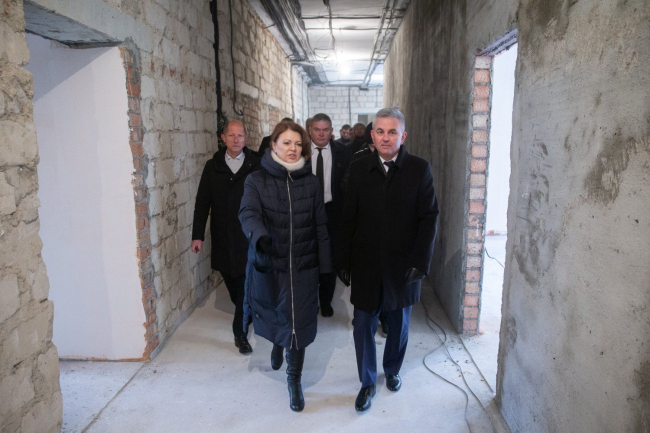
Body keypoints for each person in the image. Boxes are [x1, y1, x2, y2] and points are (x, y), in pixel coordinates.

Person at [337, 107, 439, 412]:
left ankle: (392, 369)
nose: (385, 137)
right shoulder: (359, 168)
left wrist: (421, 262)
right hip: (366, 262)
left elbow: (429, 217)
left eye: (392, 132)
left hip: (403, 266)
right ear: (372, 135)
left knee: (399, 324)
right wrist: (343, 259)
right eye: (380, 131)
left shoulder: (419, 169)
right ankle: (367, 382)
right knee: (362, 324)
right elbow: (348, 216)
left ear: (402, 135)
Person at [239, 120, 332, 412]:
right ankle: (278, 343)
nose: (293, 149)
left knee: (299, 324)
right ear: (273, 145)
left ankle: (294, 381)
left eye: (298, 144)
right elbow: (248, 213)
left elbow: (320, 224)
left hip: (304, 266)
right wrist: (260, 238)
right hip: (272, 263)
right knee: (279, 315)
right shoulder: (256, 180)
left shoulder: (310, 182)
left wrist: (326, 265)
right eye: (286, 143)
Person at [191, 120, 261, 354]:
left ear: (246, 138)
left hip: (248, 236)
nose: (236, 139)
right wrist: (197, 235)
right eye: (231, 135)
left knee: (245, 283)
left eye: (240, 135)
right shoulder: (213, 167)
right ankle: (246, 309)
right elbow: (202, 202)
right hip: (222, 235)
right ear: (223, 138)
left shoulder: (256, 164)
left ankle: (240, 333)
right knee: (232, 281)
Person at [309, 113, 352, 317]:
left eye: (325, 130)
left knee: (329, 258)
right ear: (310, 130)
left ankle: (325, 301)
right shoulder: (299, 152)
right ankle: (309, 302)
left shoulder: (344, 153)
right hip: (305, 213)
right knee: (307, 259)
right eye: (317, 129)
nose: (321, 134)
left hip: (332, 213)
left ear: (331, 131)